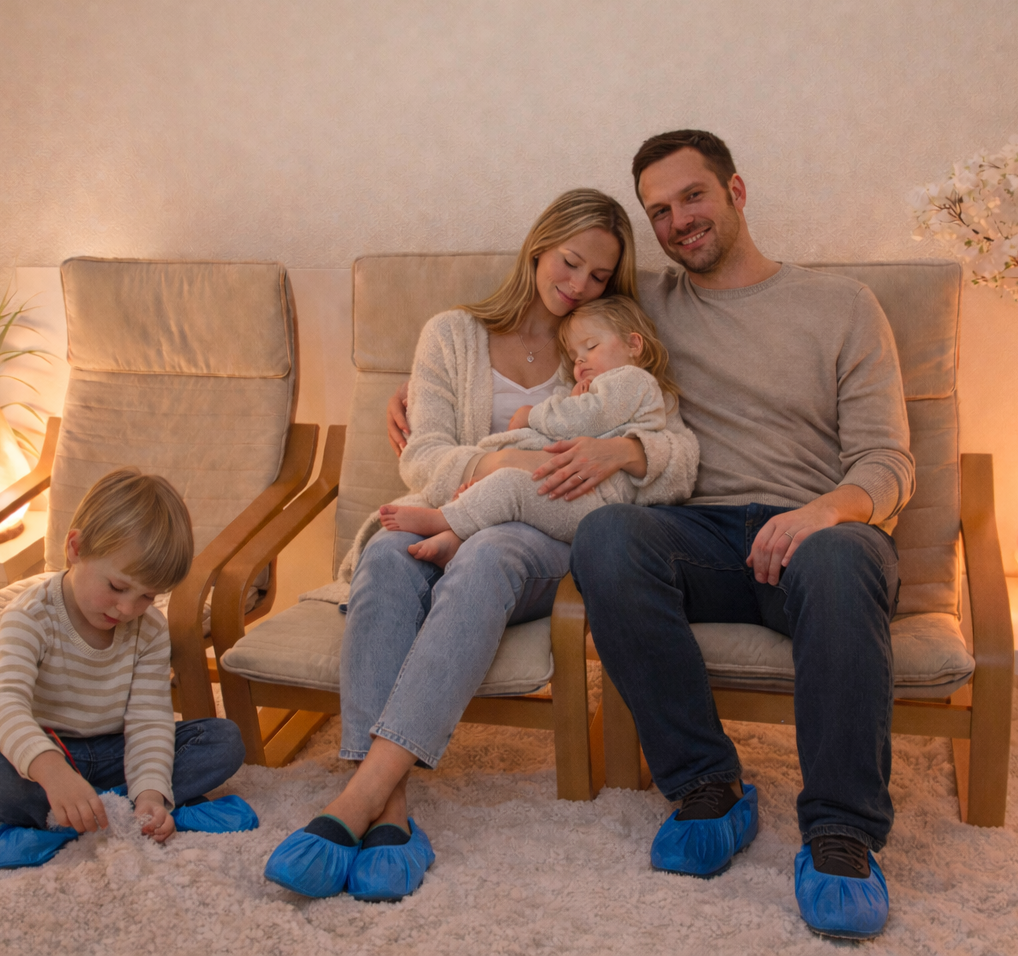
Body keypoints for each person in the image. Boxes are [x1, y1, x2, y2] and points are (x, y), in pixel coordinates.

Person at [387, 132, 912, 938]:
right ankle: (706, 787)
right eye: (659, 211)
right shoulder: (643, 310)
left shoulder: (842, 305)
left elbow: (888, 462)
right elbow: (542, 334)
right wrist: (423, 393)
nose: (679, 221)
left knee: (843, 559)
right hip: (694, 532)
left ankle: (842, 834)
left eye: (692, 196)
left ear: (736, 191)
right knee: (609, 537)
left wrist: (820, 514)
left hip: (819, 534)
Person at [264, 188, 699, 903]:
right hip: (449, 511)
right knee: (385, 552)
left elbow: (678, 456)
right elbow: (423, 457)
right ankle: (390, 811)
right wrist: (502, 463)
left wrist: (623, 451)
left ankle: (356, 797)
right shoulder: (451, 335)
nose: (579, 285)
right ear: (539, 247)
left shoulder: (603, 349)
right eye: (570, 262)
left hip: (540, 539)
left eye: (598, 276)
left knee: (489, 554)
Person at [0, 468, 250, 869]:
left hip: (113, 747)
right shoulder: (29, 617)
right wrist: (52, 772)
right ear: (75, 548)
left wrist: (150, 793)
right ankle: (94, 807)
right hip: (41, 747)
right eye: (116, 587)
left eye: (147, 596)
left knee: (224, 741)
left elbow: (149, 720)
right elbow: (3, 705)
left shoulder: (149, 631)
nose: (127, 608)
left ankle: (83, 815)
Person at [377, 294, 694, 562]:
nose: (580, 362)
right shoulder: (602, 388)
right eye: (574, 356)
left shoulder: (631, 380)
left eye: (591, 347)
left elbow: (583, 420)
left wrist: (532, 415)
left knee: (511, 488)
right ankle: (459, 532)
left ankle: (443, 521)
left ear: (633, 344)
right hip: (579, 494)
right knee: (506, 485)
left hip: (596, 503)